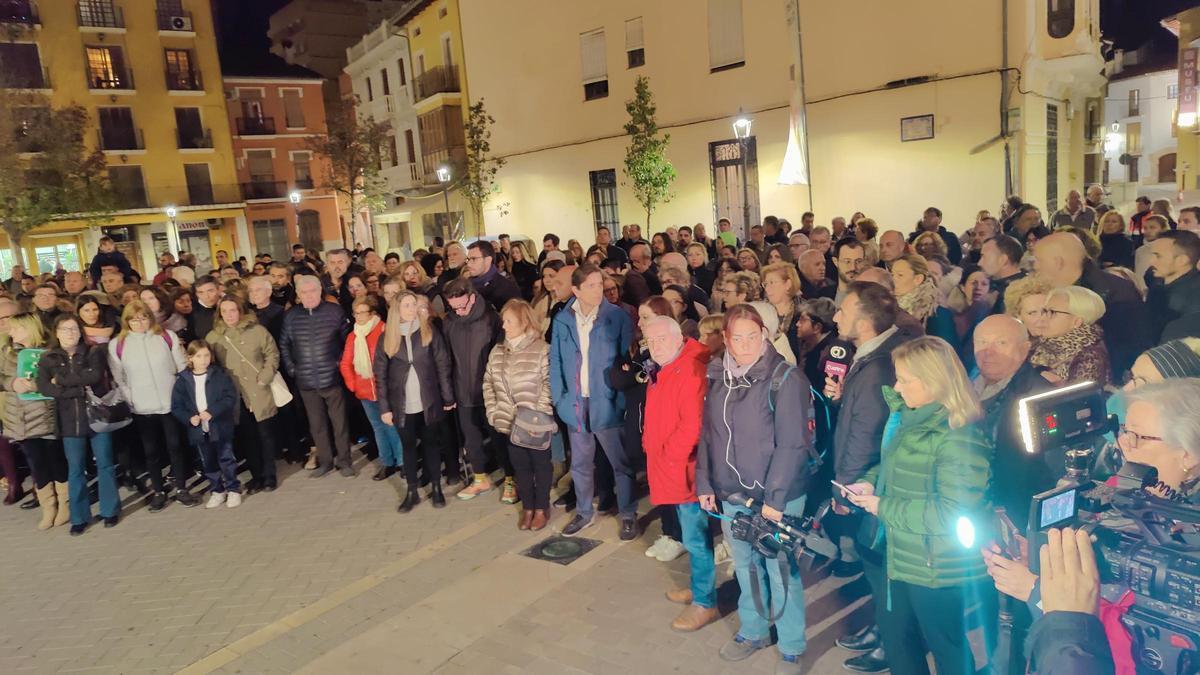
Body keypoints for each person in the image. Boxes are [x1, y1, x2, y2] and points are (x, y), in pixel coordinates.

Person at [843, 336, 993, 675]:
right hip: (902, 555)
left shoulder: (959, 436)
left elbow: (953, 512)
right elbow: (892, 465)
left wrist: (882, 506)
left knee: (949, 653)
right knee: (900, 645)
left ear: (934, 381)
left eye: (905, 379)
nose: (897, 386)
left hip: (936, 568)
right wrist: (869, 480)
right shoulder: (912, 417)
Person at [695, 305, 815, 673]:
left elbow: (793, 445)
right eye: (737, 338)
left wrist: (776, 501)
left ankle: (792, 645)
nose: (745, 345)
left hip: (776, 496)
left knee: (779, 569)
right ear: (726, 340)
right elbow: (709, 434)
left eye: (753, 336)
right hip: (733, 493)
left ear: (764, 335)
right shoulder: (718, 376)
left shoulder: (786, 379)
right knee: (745, 565)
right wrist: (705, 481)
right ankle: (754, 630)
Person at [826, 281, 918, 671]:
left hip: (870, 483)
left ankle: (893, 641)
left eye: (841, 311)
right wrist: (844, 395)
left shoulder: (879, 364)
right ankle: (882, 628)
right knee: (875, 565)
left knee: (881, 566)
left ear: (863, 320)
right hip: (869, 480)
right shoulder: (873, 356)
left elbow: (868, 431)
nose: (835, 317)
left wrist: (845, 489)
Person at [639, 315, 717, 632]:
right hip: (670, 466)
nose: (655, 346)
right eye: (650, 340)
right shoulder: (668, 366)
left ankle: (705, 603)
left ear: (678, 339)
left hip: (685, 471)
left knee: (696, 539)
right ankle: (700, 589)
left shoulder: (691, 370)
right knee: (689, 536)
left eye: (661, 339)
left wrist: (669, 456)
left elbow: (693, 425)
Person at [550, 264, 638, 539]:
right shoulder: (563, 319)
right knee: (580, 463)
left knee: (620, 463)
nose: (599, 290)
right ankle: (584, 512)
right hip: (575, 404)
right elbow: (556, 361)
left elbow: (626, 362)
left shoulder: (617, 317)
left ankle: (628, 514)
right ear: (576, 290)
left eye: (600, 284)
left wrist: (620, 400)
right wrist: (560, 399)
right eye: (591, 285)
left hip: (608, 402)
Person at [107, 301, 196, 510]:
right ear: (127, 321)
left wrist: (181, 395)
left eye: (144, 317)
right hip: (142, 407)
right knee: (151, 451)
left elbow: (181, 366)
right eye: (134, 319)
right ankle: (158, 490)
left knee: (175, 446)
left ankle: (182, 488)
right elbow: (118, 378)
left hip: (170, 403)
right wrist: (131, 399)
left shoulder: (166, 337)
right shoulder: (118, 345)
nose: (140, 322)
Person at [37, 314, 121, 534]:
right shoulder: (48, 358)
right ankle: (79, 517)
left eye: (74, 328)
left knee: (105, 463)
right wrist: (76, 388)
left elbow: (94, 377)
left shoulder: (93, 352)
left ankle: (110, 511)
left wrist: (61, 382)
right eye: (65, 329)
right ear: (56, 333)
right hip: (68, 421)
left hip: (96, 418)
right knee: (75, 469)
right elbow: (44, 386)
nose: (70, 333)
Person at [375, 291, 455, 512]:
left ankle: (436, 488)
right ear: (397, 310)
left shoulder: (429, 332)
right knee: (408, 447)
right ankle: (412, 491)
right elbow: (380, 376)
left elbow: (442, 365)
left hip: (428, 401)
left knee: (431, 445)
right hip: (401, 404)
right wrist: (384, 408)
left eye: (413, 305)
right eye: (406, 305)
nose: (411, 309)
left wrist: (448, 397)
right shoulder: (386, 338)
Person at [972, 315, 1054, 523]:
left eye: (1001, 343)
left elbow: (1047, 472)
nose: (988, 352)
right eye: (982, 342)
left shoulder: (1039, 398)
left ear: (1024, 349)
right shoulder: (966, 385)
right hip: (974, 505)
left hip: (1012, 514)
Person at [1034, 232, 1148, 379]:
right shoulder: (1058, 292)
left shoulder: (1115, 294)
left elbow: (1125, 350)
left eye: (1038, 260)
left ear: (1058, 262)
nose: (1035, 266)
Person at [482, 299, 554, 530]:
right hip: (508, 422)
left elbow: (549, 384)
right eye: (504, 321)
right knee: (519, 467)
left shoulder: (542, 349)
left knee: (540, 466)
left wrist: (539, 413)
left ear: (524, 322)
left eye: (509, 321)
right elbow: (488, 384)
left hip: (535, 422)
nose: (504, 326)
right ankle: (528, 508)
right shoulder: (498, 351)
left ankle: (542, 508)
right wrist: (494, 412)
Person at [442, 278, 511, 501]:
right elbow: (446, 360)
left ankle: (511, 479)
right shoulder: (449, 322)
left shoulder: (491, 319)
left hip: (490, 392)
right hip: (463, 392)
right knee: (471, 440)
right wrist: (449, 393)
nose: (459, 311)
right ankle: (480, 478)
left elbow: (501, 357)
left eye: (463, 306)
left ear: (472, 296)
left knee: (499, 439)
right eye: (454, 307)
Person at [279, 275, 353, 477]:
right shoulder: (291, 316)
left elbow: (348, 342)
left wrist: (338, 365)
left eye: (313, 291)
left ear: (320, 291)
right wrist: (292, 369)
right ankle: (326, 462)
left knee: (340, 423)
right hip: (306, 382)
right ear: (298, 294)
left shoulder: (335, 312)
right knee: (317, 425)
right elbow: (284, 345)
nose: (309, 295)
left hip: (332, 379)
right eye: (304, 292)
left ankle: (345, 462)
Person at [206, 295, 281, 493]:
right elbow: (211, 366)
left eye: (233, 310)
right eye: (225, 311)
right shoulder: (214, 337)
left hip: (258, 390)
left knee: (265, 435)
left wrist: (265, 376)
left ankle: (269, 475)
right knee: (247, 437)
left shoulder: (257, 331)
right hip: (235, 396)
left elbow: (272, 353)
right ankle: (256, 476)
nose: (229, 315)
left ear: (240, 311)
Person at [3, 313, 69, 529]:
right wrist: (12, 383)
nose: (10, 332)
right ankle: (48, 507)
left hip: (45, 412)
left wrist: (43, 383)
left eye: (15, 328)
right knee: (36, 463)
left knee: (55, 459)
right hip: (20, 417)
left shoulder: (48, 352)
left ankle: (65, 504)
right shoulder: (7, 353)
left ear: (28, 328)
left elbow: (60, 378)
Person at [170, 340, 242, 509]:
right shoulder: (183, 380)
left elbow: (229, 397)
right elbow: (176, 406)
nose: (203, 360)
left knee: (226, 458)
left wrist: (212, 411)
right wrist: (189, 418)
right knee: (208, 461)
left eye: (206, 355)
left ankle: (233, 489)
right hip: (198, 430)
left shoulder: (219, 375)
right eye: (199, 356)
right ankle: (217, 490)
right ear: (190, 358)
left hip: (220, 425)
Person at [339, 297, 402, 482]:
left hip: (385, 390)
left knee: (393, 427)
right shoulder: (353, 336)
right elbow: (345, 363)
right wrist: (354, 385)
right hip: (365, 391)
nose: (358, 316)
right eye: (355, 313)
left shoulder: (383, 330)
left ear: (372, 313)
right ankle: (387, 462)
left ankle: (402, 462)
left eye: (362, 312)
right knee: (378, 428)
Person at [1028, 286, 1110, 387]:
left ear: (1076, 322)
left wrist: (1052, 385)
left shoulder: (1091, 356)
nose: (1042, 318)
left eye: (1052, 312)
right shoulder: (1037, 346)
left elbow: (1079, 399)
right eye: (1045, 311)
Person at [1146, 230, 1200, 343]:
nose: (1151, 261)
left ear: (1182, 260)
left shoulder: (1194, 296)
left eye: (1158, 256)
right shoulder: (1157, 284)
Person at [892, 254, 956, 344]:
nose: (893, 279)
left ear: (918, 279)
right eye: (892, 274)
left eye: (900, 275)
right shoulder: (891, 307)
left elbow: (945, 350)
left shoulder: (936, 312)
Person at [466, 240, 521, 313]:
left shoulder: (507, 287)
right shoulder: (466, 286)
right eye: (468, 259)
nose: (468, 264)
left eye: (473, 259)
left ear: (488, 260)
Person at [189, 275, 221, 343]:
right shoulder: (192, 313)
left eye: (210, 291)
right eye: (201, 292)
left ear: (218, 290)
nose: (206, 296)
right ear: (196, 294)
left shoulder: (232, 304)